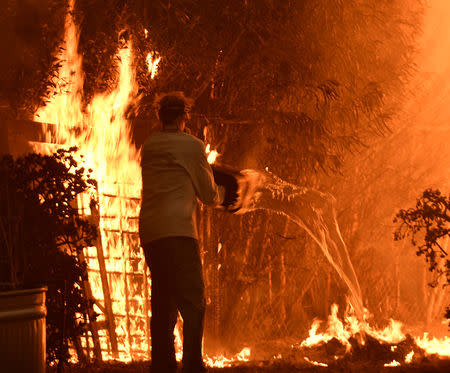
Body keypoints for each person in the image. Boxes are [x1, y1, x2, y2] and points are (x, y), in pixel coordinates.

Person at [139, 92, 224, 373]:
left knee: (163, 298)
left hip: (151, 232)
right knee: (193, 300)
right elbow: (209, 195)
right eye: (186, 115)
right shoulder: (191, 146)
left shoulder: (149, 146)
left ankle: (162, 365)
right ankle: (192, 365)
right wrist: (221, 188)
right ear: (181, 116)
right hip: (179, 232)